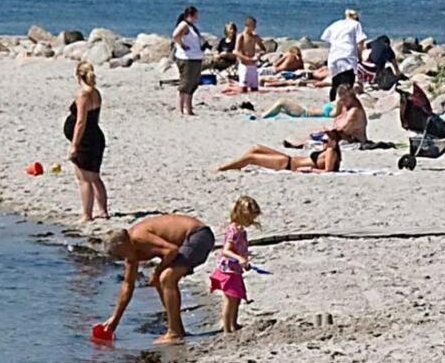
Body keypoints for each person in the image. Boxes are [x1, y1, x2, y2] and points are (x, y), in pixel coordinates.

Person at [98, 214, 215, 344]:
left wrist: (156, 271)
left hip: (199, 235)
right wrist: (115, 319)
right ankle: (177, 327)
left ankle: (174, 332)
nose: (123, 259)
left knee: (167, 278)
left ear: (124, 243)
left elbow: (171, 250)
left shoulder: (139, 237)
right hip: (188, 242)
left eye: (121, 255)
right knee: (162, 281)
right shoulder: (130, 251)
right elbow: (127, 286)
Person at [209, 196, 261, 333]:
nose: (252, 221)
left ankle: (234, 323)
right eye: (250, 218)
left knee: (237, 298)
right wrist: (239, 258)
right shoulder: (233, 230)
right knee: (230, 299)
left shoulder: (241, 230)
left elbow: (239, 248)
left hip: (236, 269)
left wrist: (245, 257)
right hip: (228, 270)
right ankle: (227, 329)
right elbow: (226, 251)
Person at [64, 60, 108, 222]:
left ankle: (86, 214)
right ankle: (103, 210)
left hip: (87, 139)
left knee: (84, 178)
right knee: (95, 177)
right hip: (95, 136)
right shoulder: (95, 92)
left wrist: (74, 145)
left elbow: (81, 121)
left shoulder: (83, 94)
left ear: (78, 76)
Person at [216, 131, 342, 172]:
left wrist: (310, 170)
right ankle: (236, 164)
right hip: (289, 159)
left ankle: (222, 168)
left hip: (288, 164)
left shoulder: (331, 151)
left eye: (326, 140)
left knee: (251, 158)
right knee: (256, 147)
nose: (323, 142)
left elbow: (328, 171)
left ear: (334, 143)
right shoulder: (327, 150)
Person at [284, 84, 367, 146]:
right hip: (344, 136)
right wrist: (339, 105)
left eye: (344, 99)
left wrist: (330, 130)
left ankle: (299, 144)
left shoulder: (354, 111)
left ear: (351, 97)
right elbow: (334, 116)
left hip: (354, 140)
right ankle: (300, 143)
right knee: (317, 135)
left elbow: (343, 129)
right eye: (342, 99)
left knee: (322, 138)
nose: (343, 102)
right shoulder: (346, 105)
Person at [321, 9, 367, 101]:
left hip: (334, 56)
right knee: (347, 84)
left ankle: (332, 103)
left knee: (335, 83)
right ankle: (345, 107)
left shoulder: (336, 24)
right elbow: (361, 41)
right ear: (356, 18)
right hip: (347, 55)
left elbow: (325, 37)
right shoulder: (356, 24)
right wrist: (360, 56)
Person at [172, 6, 205, 115]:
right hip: (187, 58)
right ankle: (180, 109)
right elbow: (175, 35)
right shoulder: (184, 24)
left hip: (195, 58)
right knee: (185, 84)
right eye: (195, 16)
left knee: (192, 84)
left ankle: (189, 109)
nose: (196, 18)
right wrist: (182, 45)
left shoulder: (192, 27)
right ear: (189, 16)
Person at [235, 16, 266, 92]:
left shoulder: (255, 37)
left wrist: (258, 55)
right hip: (244, 64)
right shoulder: (241, 36)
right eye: (253, 25)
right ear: (248, 25)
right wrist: (246, 58)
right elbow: (236, 51)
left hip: (253, 65)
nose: (255, 27)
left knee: (254, 88)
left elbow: (263, 49)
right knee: (243, 88)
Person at [260, 98, 336, 119]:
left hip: (304, 113)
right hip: (304, 111)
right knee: (280, 106)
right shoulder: (336, 105)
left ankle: (263, 116)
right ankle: (265, 114)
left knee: (282, 102)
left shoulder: (337, 109)